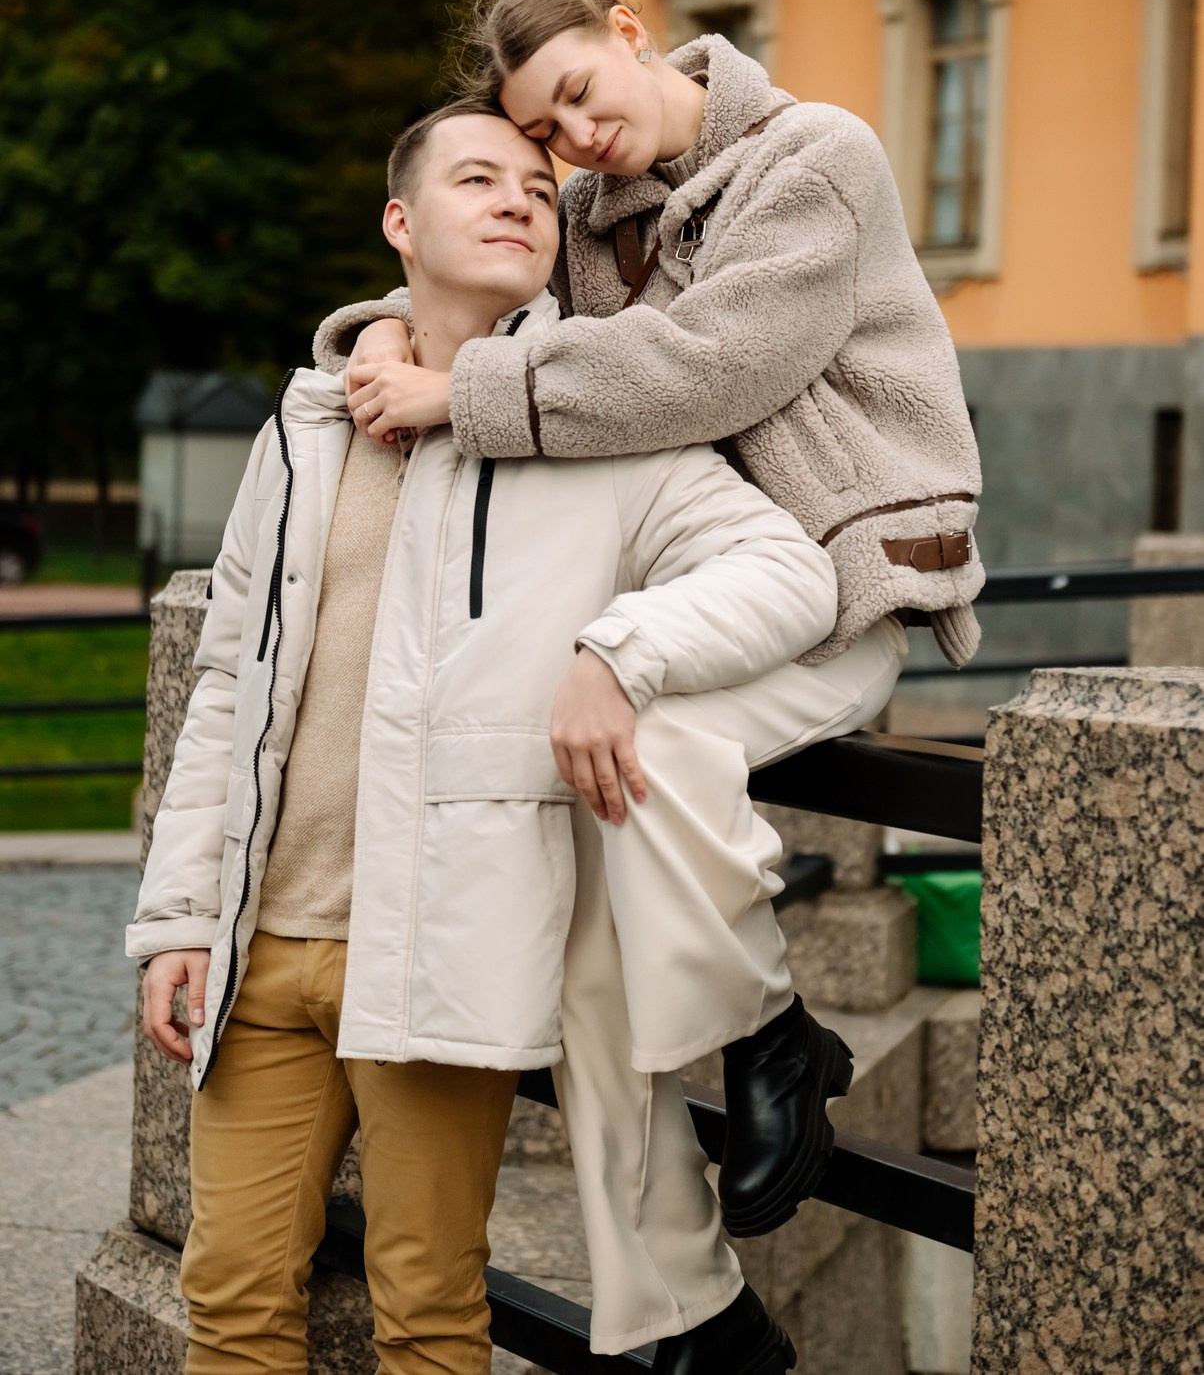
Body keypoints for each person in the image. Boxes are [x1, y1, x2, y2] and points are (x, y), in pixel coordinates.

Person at [318, 0, 983, 1364]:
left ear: (632, 30)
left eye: (577, 97)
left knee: (659, 749)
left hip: (840, 586)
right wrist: (376, 338)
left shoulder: (818, 154)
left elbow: (711, 365)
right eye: (547, 134)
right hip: (685, 589)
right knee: (592, 975)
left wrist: (468, 396)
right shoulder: (583, 214)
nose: (574, 143)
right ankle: (685, 1317)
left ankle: (766, 1031)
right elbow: (472, 309)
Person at [128, 98, 847, 1375]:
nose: (520, 196)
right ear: (402, 222)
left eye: (535, 180)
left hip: (434, 955)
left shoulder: (598, 418)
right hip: (262, 950)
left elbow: (787, 572)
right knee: (230, 1301)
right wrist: (181, 916)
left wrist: (618, 652)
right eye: (479, 177)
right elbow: (228, 686)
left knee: (428, 1315)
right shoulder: (300, 431)